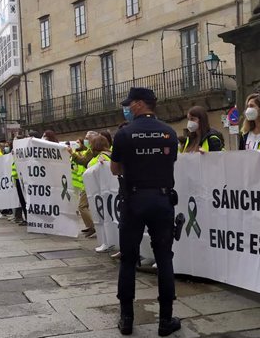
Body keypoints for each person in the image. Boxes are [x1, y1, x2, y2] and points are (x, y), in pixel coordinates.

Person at [111, 87, 181, 336]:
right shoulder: (170, 133)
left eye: (130, 104)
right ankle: (165, 320)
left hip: (133, 200)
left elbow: (115, 169)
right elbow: (169, 162)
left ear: (141, 104)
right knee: (164, 257)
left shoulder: (124, 134)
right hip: (162, 200)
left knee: (128, 259)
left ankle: (127, 318)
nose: (128, 108)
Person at [67, 130, 99, 237]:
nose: (85, 140)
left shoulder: (94, 150)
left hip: (92, 181)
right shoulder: (91, 150)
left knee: (82, 206)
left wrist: (72, 153)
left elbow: (84, 161)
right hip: (89, 181)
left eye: (87, 138)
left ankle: (93, 227)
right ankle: (91, 226)